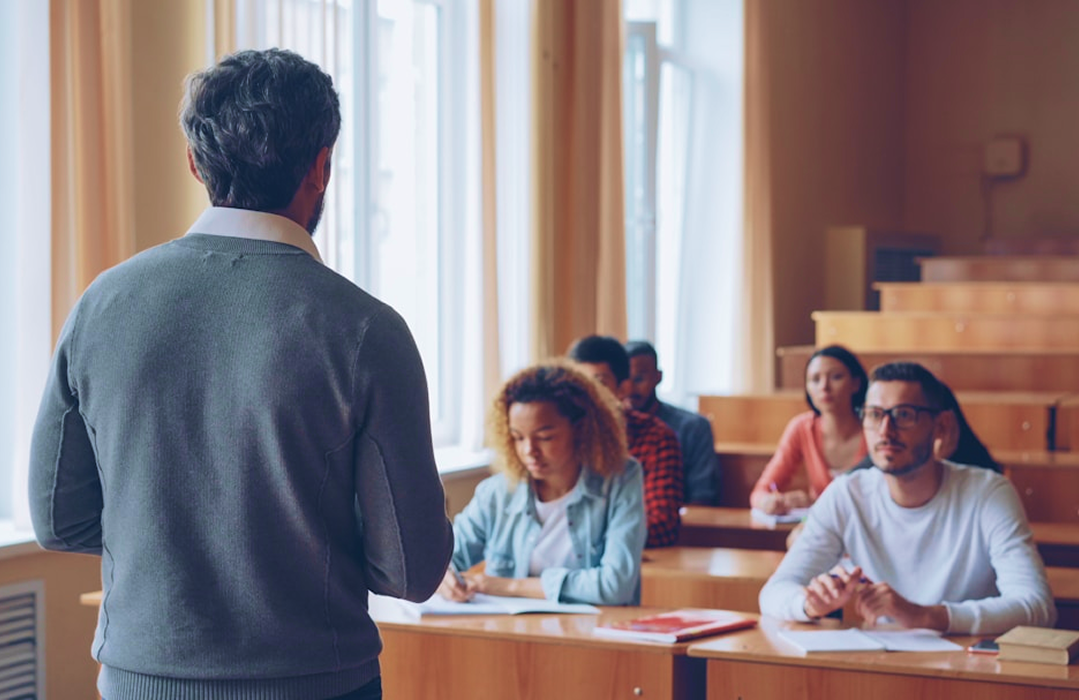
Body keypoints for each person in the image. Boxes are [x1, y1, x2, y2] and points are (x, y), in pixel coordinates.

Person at [28, 49, 452, 700]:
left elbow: (59, 520)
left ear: (195, 163)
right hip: (315, 682)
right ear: (321, 163)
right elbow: (410, 570)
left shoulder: (103, 304)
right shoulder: (366, 330)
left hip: (140, 679)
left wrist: (165, 540)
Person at [759, 362, 1056, 635]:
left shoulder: (988, 493)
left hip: (966, 666)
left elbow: (1037, 606)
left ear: (940, 426)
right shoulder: (847, 493)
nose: (885, 431)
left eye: (904, 415)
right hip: (881, 662)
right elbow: (773, 593)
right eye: (874, 415)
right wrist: (810, 603)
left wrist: (927, 616)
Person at [438, 362, 647, 605]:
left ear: (581, 429)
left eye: (545, 437)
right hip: (514, 635)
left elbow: (614, 586)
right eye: (517, 437)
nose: (529, 451)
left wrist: (510, 586)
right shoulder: (496, 493)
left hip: (595, 634)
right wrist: (447, 579)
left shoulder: (621, 479)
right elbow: (444, 562)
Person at [568, 335, 683, 547]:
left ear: (622, 388)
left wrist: (588, 536)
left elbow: (662, 524)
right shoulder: (560, 437)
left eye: (598, 383)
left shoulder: (656, 436)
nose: (585, 393)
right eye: (578, 384)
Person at [750, 345, 868, 514]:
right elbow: (760, 491)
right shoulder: (802, 427)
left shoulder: (875, 428)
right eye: (815, 379)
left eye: (836, 377)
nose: (824, 387)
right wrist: (770, 501)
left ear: (856, 383)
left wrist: (814, 501)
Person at [625, 340, 719, 505]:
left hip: (677, 524)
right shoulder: (610, 428)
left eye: (639, 379)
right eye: (626, 380)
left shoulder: (693, 427)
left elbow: (703, 495)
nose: (631, 389)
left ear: (658, 377)